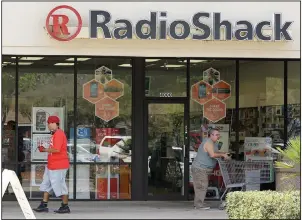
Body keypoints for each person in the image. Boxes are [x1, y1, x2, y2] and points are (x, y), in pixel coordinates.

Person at [33, 116, 70, 214]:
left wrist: (44, 149)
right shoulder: (56, 134)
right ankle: (43, 205)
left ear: (54, 123)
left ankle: (65, 206)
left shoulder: (58, 134)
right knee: (47, 184)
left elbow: (57, 149)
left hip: (59, 165)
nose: (48, 125)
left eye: (49, 123)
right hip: (52, 165)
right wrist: (45, 149)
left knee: (60, 185)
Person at [191, 128, 230, 210]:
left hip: (203, 168)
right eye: (216, 134)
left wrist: (223, 153)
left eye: (218, 134)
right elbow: (212, 155)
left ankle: (199, 202)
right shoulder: (209, 142)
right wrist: (222, 155)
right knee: (201, 186)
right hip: (200, 168)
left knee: (201, 186)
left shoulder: (213, 143)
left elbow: (215, 152)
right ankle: (199, 205)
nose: (218, 136)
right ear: (211, 135)